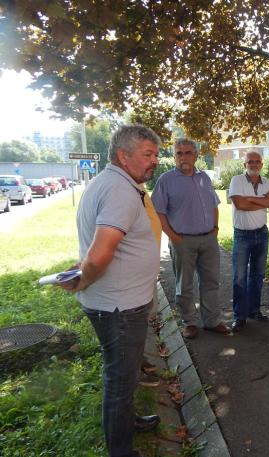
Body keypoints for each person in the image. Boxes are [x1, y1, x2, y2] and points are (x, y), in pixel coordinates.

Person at [60, 124, 162, 457]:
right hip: (119, 307)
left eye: (156, 154)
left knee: (126, 373)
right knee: (120, 381)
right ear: (123, 155)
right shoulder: (119, 190)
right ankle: (121, 451)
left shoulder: (114, 183)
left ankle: (127, 422)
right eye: (148, 154)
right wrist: (83, 280)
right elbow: (101, 253)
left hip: (120, 302)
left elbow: (98, 248)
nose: (155, 161)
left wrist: (83, 275)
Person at [152, 139, 230, 338]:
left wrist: (215, 228)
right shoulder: (166, 180)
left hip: (209, 239)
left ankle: (212, 321)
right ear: (174, 156)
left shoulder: (204, 177)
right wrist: (173, 237)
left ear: (195, 156)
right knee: (184, 284)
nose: (183, 157)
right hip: (182, 241)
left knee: (211, 281)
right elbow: (158, 212)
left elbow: (214, 205)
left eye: (188, 152)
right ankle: (190, 322)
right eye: (179, 153)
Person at [228, 151, 269, 332]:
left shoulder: (267, 182)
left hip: (262, 234)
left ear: (261, 165)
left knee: (257, 276)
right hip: (242, 235)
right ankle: (239, 317)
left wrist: (250, 199)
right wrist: (263, 201)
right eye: (250, 162)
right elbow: (240, 205)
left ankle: (254, 310)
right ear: (244, 165)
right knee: (239, 278)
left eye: (257, 162)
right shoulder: (236, 180)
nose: (254, 164)